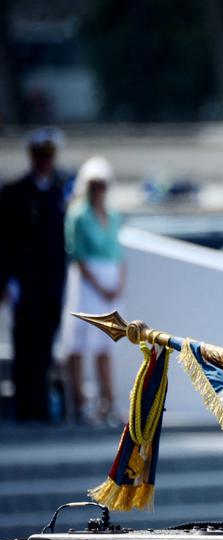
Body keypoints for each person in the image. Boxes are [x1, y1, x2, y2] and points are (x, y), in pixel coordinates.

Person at [0, 128, 69, 422]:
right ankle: (25, 407)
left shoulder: (58, 191)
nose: (45, 162)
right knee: (25, 343)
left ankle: (40, 407)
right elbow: (5, 241)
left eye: (49, 156)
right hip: (24, 283)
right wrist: (6, 281)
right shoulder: (15, 192)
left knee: (44, 345)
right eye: (41, 156)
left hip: (51, 284)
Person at [63, 156, 125, 424]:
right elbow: (76, 254)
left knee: (105, 343)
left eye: (103, 185)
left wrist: (118, 284)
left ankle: (107, 400)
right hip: (88, 284)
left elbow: (119, 254)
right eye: (95, 185)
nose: (99, 190)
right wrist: (100, 285)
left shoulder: (113, 216)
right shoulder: (78, 215)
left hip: (109, 283)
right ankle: (79, 402)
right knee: (80, 340)